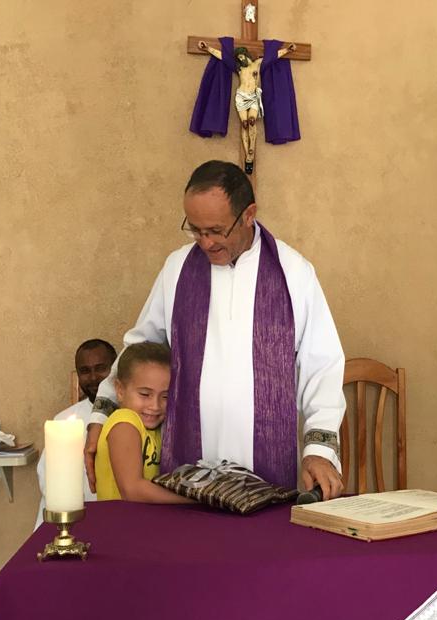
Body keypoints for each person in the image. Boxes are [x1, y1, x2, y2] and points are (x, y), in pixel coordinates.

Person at [85, 160, 346, 499]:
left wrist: (319, 451)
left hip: (267, 463)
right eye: (196, 230)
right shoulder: (178, 268)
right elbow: (141, 347)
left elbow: (321, 365)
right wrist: (102, 414)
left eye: (216, 231)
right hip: (188, 463)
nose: (205, 243)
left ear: (248, 214)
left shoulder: (293, 273)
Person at [35, 338, 117, 528]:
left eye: (101, 368)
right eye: (85, 371)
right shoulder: (62, 422)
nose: (94, 377)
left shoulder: (136, 415)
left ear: (115, 368)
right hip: (74, 521)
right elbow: (48, 481)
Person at [94, 342, 188, 503]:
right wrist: (194, 499)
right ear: (120, 390)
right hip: (118, 518)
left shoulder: (155, 429)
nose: (155, 406)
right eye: (145, 394)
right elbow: (132, 490)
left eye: (165, 396)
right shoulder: (124, 422)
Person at [197, 41, 296, 173]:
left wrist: (288, 50)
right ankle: (247, 154)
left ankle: (251, 151)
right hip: (241, 97)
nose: (240, 59)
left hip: (253, 96)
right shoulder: (239, 68)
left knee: (252, 121)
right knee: (244, 124)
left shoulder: (258, 64)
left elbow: (274, 56)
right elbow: (222, 56)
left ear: (246, 54)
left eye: (241, 56)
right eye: (238, 58)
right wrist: (207, 48)